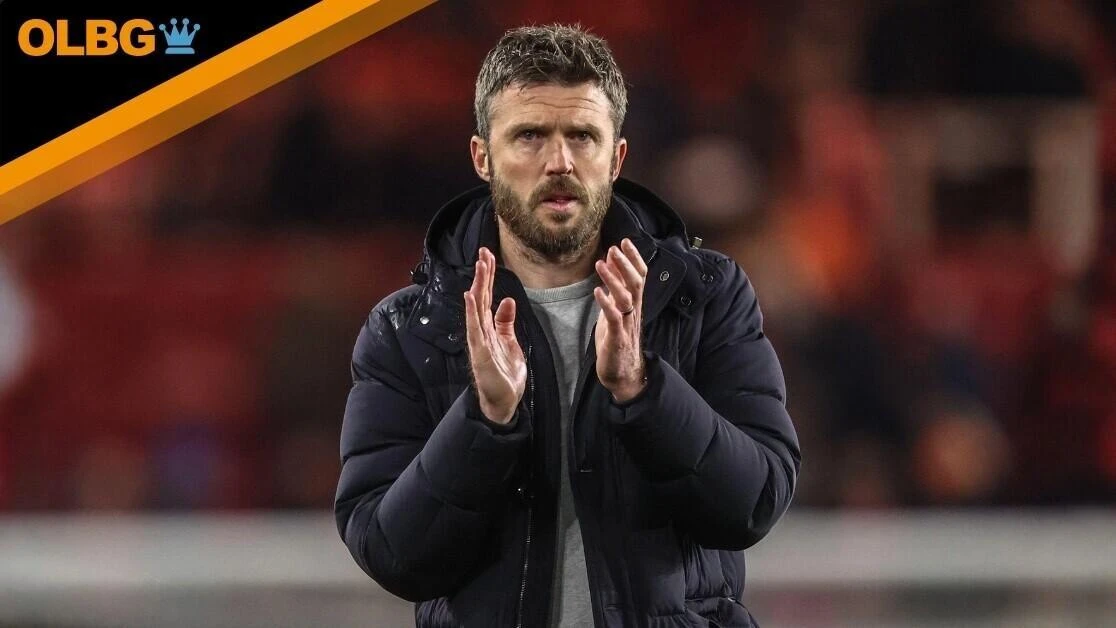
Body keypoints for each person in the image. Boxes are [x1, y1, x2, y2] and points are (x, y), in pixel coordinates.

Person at [334, 23, 801, 628]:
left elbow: (755, 502)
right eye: (529, 135)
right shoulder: (408, 328)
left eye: (582, 136)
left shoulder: (703, 297)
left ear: (617, 158)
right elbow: (390, 553)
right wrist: (485, 422)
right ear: (482, 156)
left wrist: (643, 390)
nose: (559, 162)